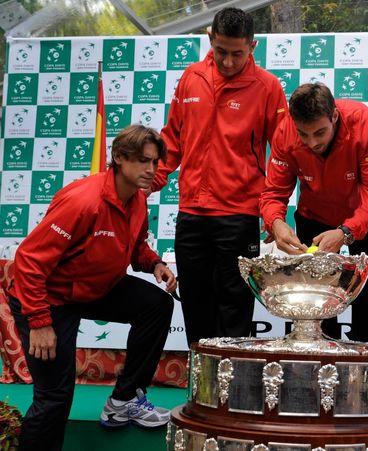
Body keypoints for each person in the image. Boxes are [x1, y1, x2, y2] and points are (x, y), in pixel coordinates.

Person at [8, 125, 177, 451]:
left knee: (156, 304)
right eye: (143, 161)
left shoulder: (138, 199)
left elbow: (135, 246)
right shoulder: (83, 201)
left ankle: (124, 399)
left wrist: (154, 263)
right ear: (118, 158)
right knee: (55, 395)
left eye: (154, 162)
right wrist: (40, 321)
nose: (151, 170)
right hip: (48, 297)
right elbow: (28, 261)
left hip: (92, 287)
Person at [150, 7, 287, 344]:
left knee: (234, 307)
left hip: (239, 216)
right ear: (209, 39)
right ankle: (201, 393)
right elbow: (172, 141)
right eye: (221, 51)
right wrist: (146, 184)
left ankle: (229, 395)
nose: (228, 61)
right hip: (192, 213)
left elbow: (283, 156)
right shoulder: (191, 77)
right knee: (195, 306)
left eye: (237, 53)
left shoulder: (268, 87)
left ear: (253, 46)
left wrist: (273, 214)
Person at [260, 83, 368, 342]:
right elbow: (273, 192)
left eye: (320, 132)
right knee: (312, 303)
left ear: (334, 116)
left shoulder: (363, 122)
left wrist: (346, 232)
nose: (312, 142)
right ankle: (316, 373)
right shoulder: (285, 130)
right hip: (314, 217)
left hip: (365, 218)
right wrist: (275, 221)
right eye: (304, 135)